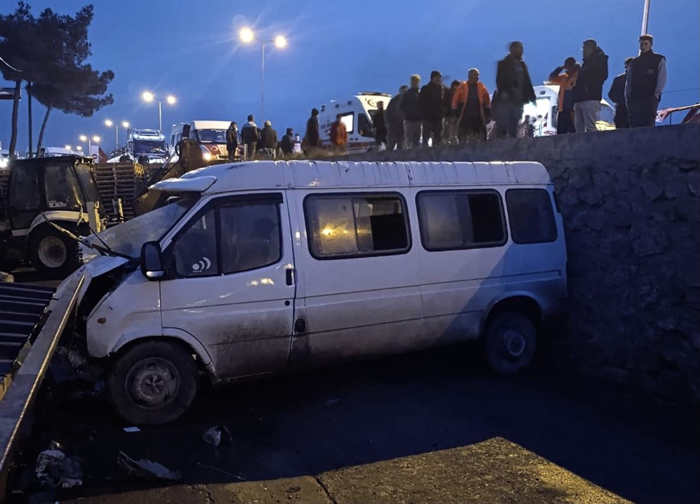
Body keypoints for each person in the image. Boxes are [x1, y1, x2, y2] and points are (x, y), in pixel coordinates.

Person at [495, 41, 536, 138]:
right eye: (519, 48)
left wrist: (532, 97)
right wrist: (505, 92)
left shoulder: (522, 65)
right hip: (508, 99)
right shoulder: (503, 64)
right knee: (505, 122)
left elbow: (527, 81)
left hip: (520, 99)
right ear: (512, 49)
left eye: (522, 48)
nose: (522, 50)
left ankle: (513, 140)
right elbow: (500, 80)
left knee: (516, 121)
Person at [626, 34, 667, 128]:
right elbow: (629, 81)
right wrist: (628, 97)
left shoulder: (658, 59)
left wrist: (655, 94)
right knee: (634, 125)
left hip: (650, 98)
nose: (643, 46)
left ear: (650, 45)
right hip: (634, 99)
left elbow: (662, 77)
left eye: (646, 44)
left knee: (648, 124)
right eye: (641, 44)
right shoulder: (634, 62)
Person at [572, 39, 609, 133]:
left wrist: (588, 86)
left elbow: (602, 76)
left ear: (590, 49)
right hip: (580, 98)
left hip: (590, 98)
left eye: (584, 49)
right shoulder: (587, 62)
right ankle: (580, 142)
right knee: (579, 128)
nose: (583, 52)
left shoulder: (599, 61)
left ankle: (592, 142)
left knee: (590, 127)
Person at [452, 68, 491, 142]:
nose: (476, 78)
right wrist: (454, 112)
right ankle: (462, 145)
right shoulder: (462, 87)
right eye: (474, 76)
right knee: (463, 134)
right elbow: (455, 100)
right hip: (465, 114)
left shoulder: (481, 87)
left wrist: (487, 112)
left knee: (480, 133)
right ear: (469, 76)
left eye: (477, 76)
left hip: (478, 114)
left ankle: (480, 145)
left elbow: (486, 100)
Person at [548, 57, 579, 134]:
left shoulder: (578, 76)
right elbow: (551, 78)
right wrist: (560, 68)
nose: (568, 68)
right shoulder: (564, 77)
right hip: (562, 109)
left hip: (572, 110)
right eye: (566, 66)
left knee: (573, 131)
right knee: (561, 133)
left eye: (569, 66)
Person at [419, 70, 445, 147]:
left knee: (438, 136)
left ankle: (436, 149)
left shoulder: (441, 89)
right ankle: (425, 151)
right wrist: (424, 112)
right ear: (433, 78)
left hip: (438, 117)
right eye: (437, 77)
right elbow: (420, 102)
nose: (439, 79)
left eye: (440, 78)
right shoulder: (425, 88)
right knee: (426, 136)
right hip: (427, 117)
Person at [608, 57, 634, 128]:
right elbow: (611, 94)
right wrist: (624, 100)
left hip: (635, 111)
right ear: (626, 66)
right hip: (621, 111)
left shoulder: (639, 80)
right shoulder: (618, 79)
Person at [400, 75, 422, 148]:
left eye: (416, 81)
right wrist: (409, 112)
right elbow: (402, 106)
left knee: (417, 139)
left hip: (418, 120)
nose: (414, 83)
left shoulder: (421, 93)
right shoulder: (407, 93)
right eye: (413, 81)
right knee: (409, 139)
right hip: (409, 120)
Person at [386, 85, 408, 150]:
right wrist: (388, 124)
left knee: (401, 144)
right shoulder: (394, 100)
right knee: (391, 144)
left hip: (403, 126)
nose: (404, 93)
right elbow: (388, 113)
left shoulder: (409, 100)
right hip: (394, 126)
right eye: (403, 91)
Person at [444, 80, 461, 144]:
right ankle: (447, 141)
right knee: (447, 130)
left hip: (457, 116)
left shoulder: (460, 96)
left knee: (456, 130)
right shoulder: (448, 95)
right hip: (449, 116)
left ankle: (454, 141)